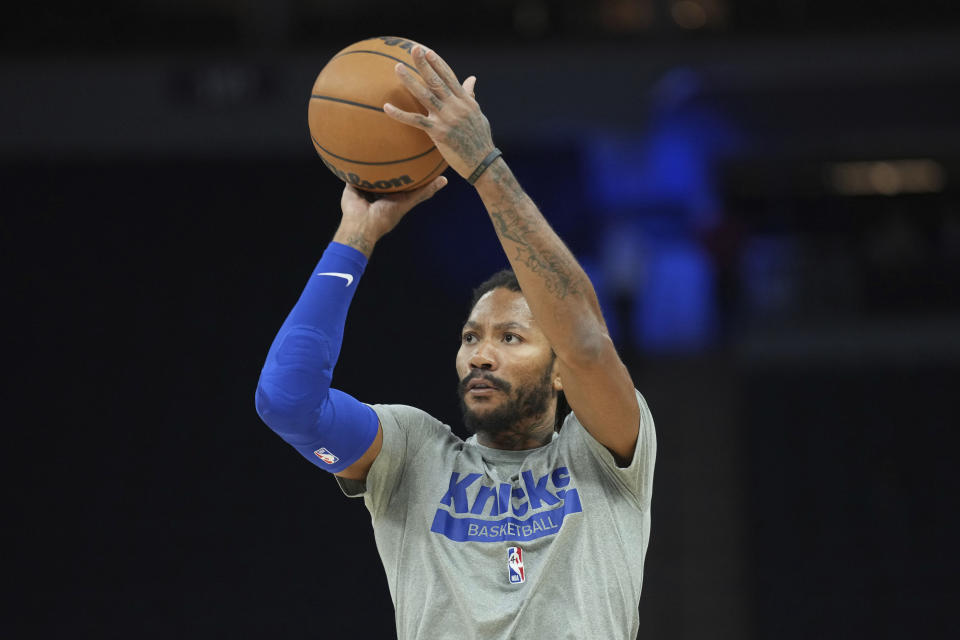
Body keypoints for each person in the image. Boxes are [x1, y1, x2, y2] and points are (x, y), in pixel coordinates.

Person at [255, 45, 656, 640]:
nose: (480, 354)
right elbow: (287, 402)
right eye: (472, 337)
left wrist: (485, 167)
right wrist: (354, 236)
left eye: (511, 337)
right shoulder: (413, 455)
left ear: (558, 374)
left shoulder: (602, 453)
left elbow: (588, 344)